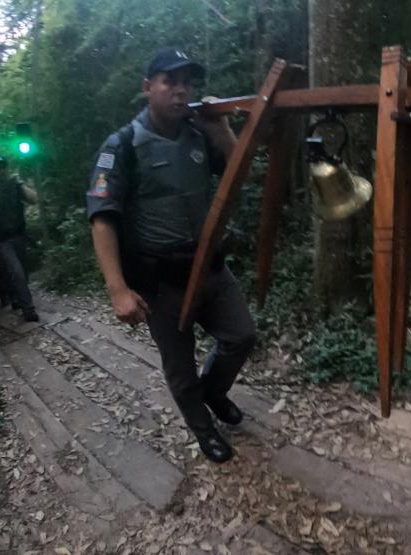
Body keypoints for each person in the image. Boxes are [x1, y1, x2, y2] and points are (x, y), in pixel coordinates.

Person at [86, 48, 256, 464]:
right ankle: (204, 431)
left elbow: (239, 172)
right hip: (160, 283)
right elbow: (102, 219)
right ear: (148, 88)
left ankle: (214, 392)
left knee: (241, 336)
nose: (181, 91)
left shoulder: (198, 134)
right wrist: (118, 290)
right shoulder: (122, 145)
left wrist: (222, 129)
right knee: (179, 368)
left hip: (211, 268)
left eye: (188, 83)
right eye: (170, 81)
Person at [0, 156, 39, 322]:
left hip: (19, 236)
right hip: (2, 241)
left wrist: (20, 184)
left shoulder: (16, 185)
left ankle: (17, 298)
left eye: (3, 166)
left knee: (23, 274)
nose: (1, 170)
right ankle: (29, 310)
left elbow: (33, 199)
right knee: (16, 272)